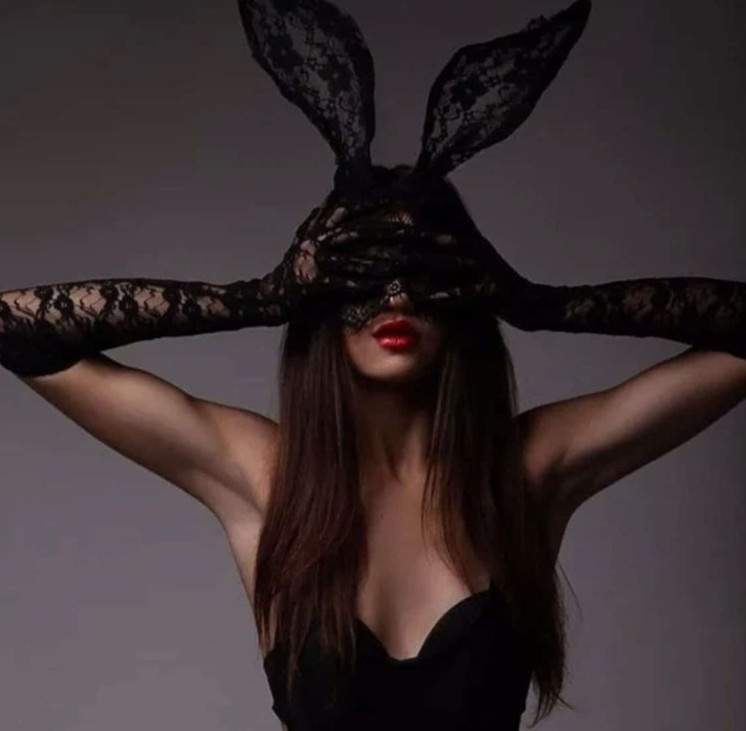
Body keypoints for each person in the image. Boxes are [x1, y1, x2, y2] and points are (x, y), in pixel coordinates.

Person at [2, 0, 744, 729]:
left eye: (424, 270)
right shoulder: (265, 476)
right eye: (363, 272)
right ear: (320, 294)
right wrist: (258, 298)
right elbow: (13, 326)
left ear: (467, 293)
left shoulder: (526, 469)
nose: (397, 296)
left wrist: (538, 303)